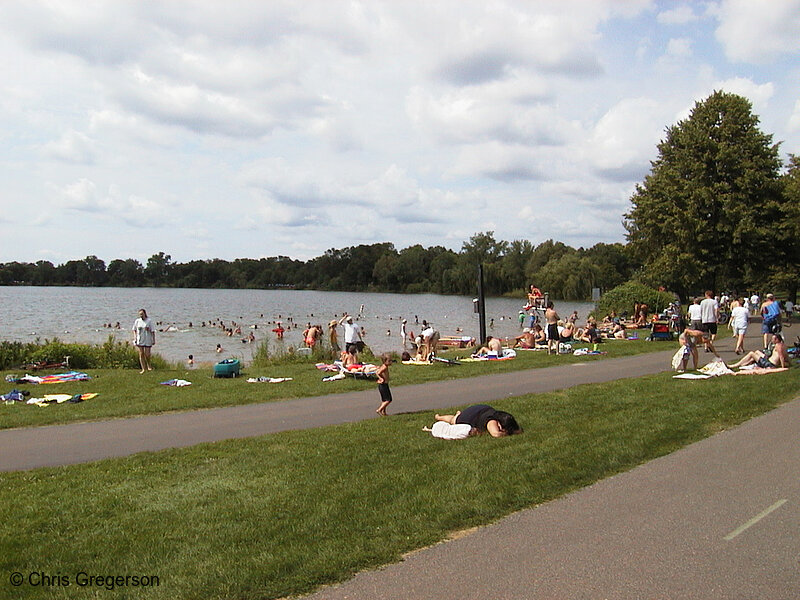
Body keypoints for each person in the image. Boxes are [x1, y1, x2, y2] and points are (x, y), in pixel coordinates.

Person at [434, 404, 522, 438]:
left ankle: (457, 414)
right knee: (453, 420)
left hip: (480, 409)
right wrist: (508, 433)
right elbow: (495, 434)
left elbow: (517, 429)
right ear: (499, 424)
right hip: (467, 417)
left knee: (456, 417)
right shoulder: (491, 421)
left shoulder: (500, 415)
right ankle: (439, 417)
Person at [132, 308, 155, 374]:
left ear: (145, 314)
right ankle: (143, 368)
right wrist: (135, 338)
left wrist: (153, 339)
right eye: (140, 315)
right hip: (140, 339)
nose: (141, 316)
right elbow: (134, 330)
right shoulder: (137, 321)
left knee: (147, 354)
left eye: (142, 314)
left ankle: (149, 366)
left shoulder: (149, 321)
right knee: (141, 354)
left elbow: (153, 331)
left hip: (147, 339)